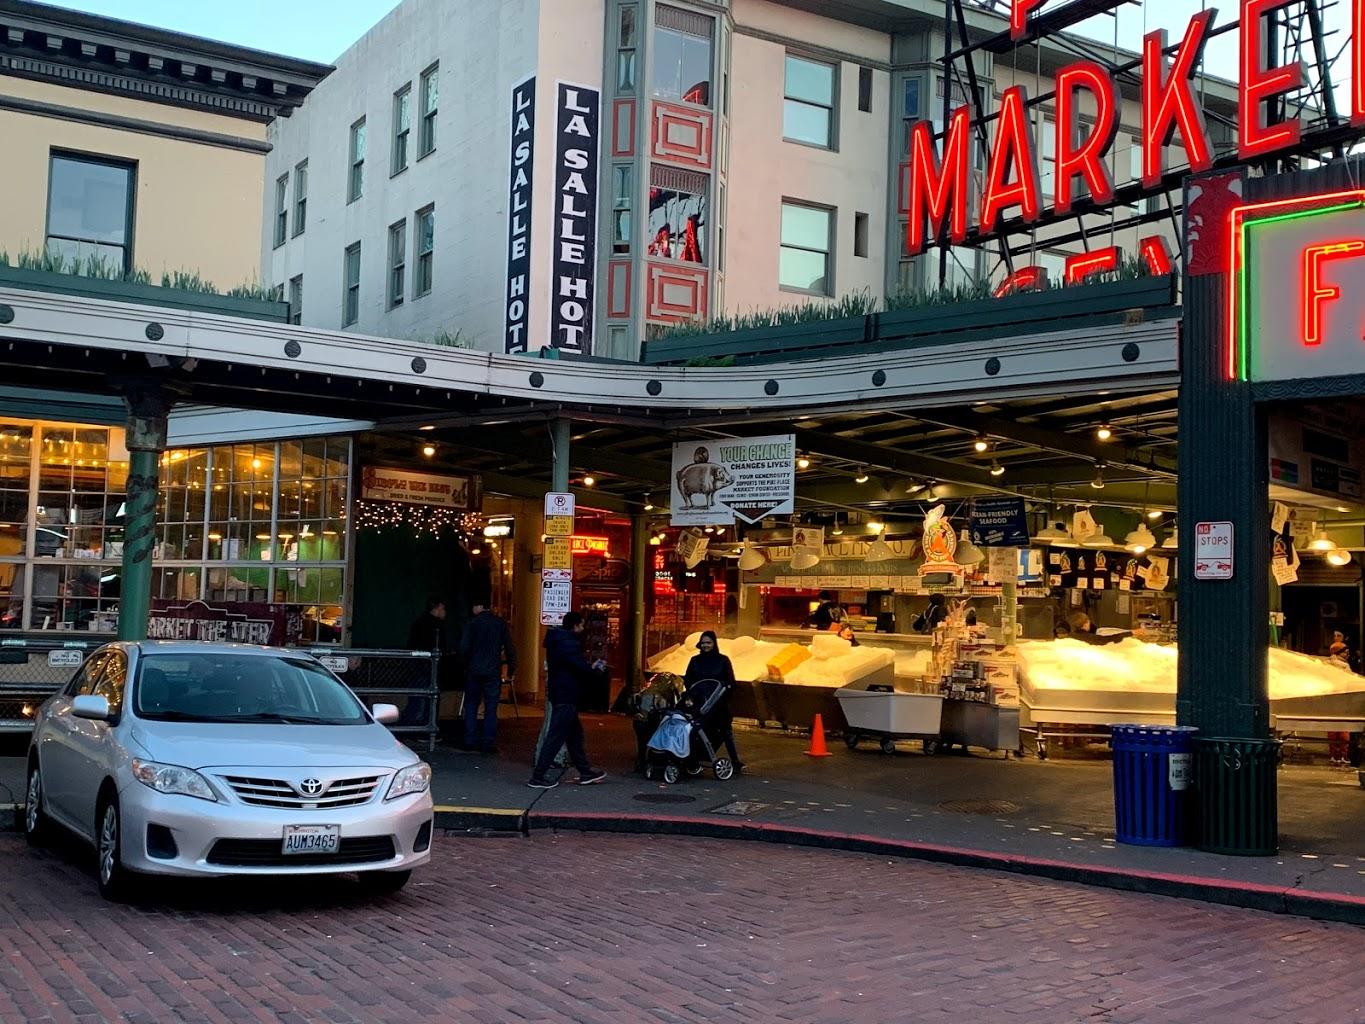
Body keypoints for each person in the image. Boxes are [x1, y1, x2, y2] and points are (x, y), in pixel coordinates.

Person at [529, 611, 607, 789]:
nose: (583, 628)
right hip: (566, 693)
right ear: (575, 625)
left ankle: (585, 771)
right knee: (556, 737)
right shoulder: (568, 642)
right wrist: (594, 669)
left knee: (574, 735)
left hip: (561, 692)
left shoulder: (557, 640)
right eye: (581, 625)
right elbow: (578, 666)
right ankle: (538, 776)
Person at [460, 601, 516, 754]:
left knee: (471, 705)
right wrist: (511, 668)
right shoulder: (499, 624)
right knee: (491, 707)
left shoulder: (472, 623)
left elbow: (464, 648)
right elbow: (509, 647)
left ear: (479, 606)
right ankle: (488, 742)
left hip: (473, 670)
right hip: (492, 671)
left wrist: (465, 665)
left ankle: (469, 740)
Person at [683, 631, 743, 771]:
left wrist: (724, 694)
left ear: (714, 643)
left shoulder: (723, 660)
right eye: (703, 643)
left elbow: (730, 681)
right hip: (699, 702)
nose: (705, 645)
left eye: (708, 643)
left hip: (719, 702)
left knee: (726, 731)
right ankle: (693, 757)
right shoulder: (695, 660)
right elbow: (688, 679)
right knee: (695, 730)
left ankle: (735, 760)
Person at [404, 598, 449, 727]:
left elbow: (412, 644)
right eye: (443, 608)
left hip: (418, 666)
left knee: (416, 699)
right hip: (431, 667)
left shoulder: (419, 623)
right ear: (438, 608)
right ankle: (428, 726)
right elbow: (442, 646)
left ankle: (410, 725)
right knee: (431, 699)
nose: (445, 612)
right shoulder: (438, 627)